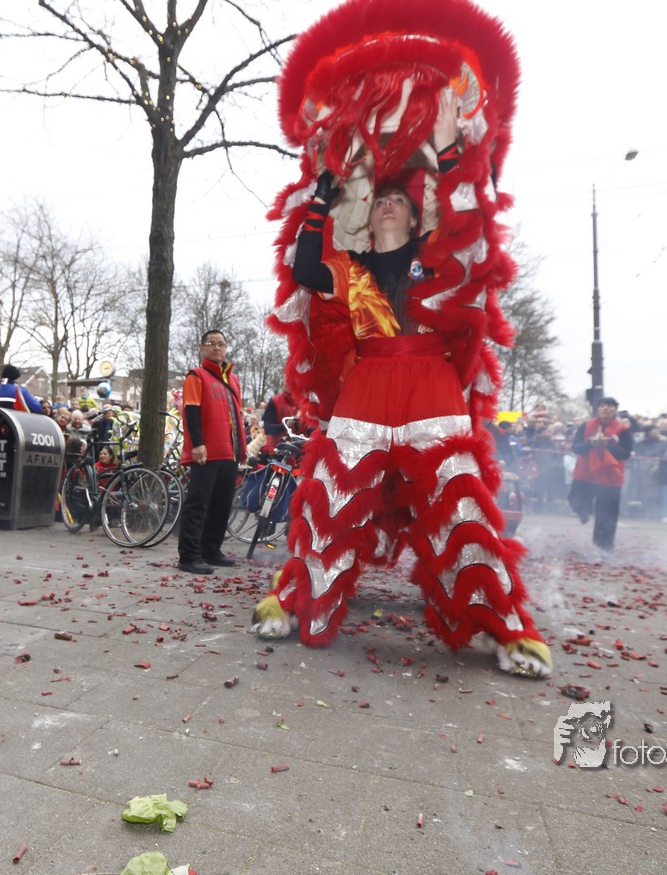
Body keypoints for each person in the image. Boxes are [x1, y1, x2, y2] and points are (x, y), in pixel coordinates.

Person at [249, 1, 552, 678]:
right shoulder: (349, 268)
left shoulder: (433, 260)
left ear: (415, 218)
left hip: (430, 383)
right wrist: (323, 193)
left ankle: (502, 629)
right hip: (366, 383)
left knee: (459, 503)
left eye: (398, 201)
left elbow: (472, 233)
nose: (386, 201)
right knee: (329, 495)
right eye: (379, 198)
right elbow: (305, 268)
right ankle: (298, 603)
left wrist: (449, 146)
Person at [177, 329, 246, 575]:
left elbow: (237, 417)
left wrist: (242, 449)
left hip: (229, 452)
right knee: (198, 504)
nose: (217, 348)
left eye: (221, 344)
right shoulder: (196, 376)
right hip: (206, 451)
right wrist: (197, 443)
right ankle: (189, 556)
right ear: (202, 348)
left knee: (221, 505)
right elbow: (191, 411)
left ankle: (211, 550)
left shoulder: (233, 379)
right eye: (211, 343)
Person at [568, 397, 634, 554]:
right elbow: (576, 448)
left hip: (610, 477)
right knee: (575, 500)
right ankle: (584, 512)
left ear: (615, 410)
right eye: (603, 406)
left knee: (607, 516)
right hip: (586, 473)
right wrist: (591, 444)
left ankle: (603, 549)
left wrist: (607, 445)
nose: (606, 409)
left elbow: (625, 453)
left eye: (610, 406)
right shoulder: (586, 426)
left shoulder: (623, 430)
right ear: (598, 409)